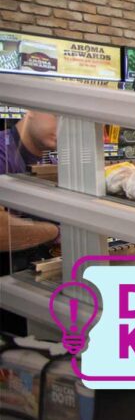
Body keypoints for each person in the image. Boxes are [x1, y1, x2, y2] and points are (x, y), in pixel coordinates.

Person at [1, 110, 60, 335]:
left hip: (36, 293)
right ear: (32, 110)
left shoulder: (51, 161)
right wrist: (55, 232)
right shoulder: (3, 155)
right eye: (56, 115)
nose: (61, 126)